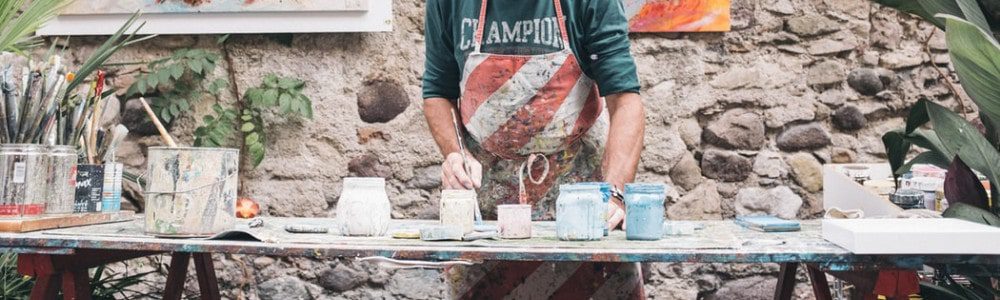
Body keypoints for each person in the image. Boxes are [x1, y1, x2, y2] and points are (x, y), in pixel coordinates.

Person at [422, 0, 646, 298]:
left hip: (582, 201)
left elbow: (626, 102)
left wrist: (614, 194)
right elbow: (438, 92)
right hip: (489, 208)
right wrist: (456, 153)